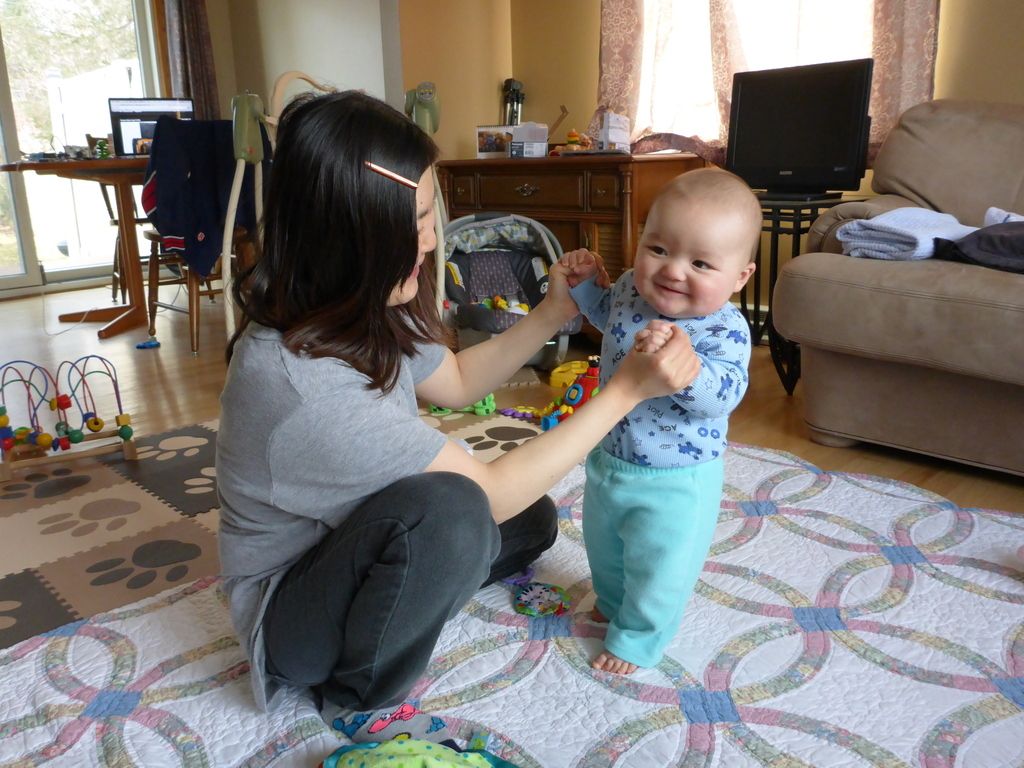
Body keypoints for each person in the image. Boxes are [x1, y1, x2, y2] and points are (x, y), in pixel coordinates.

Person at [215, 90, 701, 741]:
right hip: (292, 623)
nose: (429, 238)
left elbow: (459, 381)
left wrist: (553, 312)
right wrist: (624, 393)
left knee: (532, 519)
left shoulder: (357, 303)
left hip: (352, 540)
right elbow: (488, 491)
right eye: (416, 218)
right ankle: (360, 696)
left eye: (430, 213)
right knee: (457, 512)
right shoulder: (302, 387)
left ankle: (412, 590)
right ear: (354, 232)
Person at [559, 167, 762, 675]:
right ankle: (612, 601)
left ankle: (638, 637)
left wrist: (689, 370)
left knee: (660, 566)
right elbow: (608, 317)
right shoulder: (632, 288)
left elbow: (726, 394)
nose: (673, 271)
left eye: (700, 263)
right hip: (610, 456)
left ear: (740, 277)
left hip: (677, 478)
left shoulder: (725, 328)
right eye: (658, 249)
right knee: (604, 544)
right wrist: (584, 288)